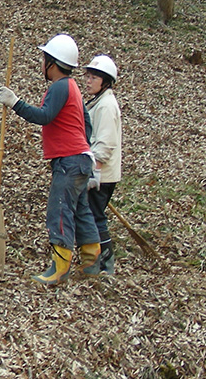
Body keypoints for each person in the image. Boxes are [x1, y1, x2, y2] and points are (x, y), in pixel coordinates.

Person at [0, 33, 100, 285]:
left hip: (70, 160)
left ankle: (59, 266)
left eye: (44, 60)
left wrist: (15, 103)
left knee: (61, 210)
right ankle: (91, 262)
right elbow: (85, 124)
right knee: (82, 211)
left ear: (52, 63)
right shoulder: (73, 87)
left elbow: (44, 116)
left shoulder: (60, 86)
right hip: (80, 158)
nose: (42, 65)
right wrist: (85, 152)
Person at [81, 55, 121, 276]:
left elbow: (105, 145)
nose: (88, 81)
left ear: (105, 81)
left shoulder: (106, 106)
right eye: (88, 76)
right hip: (95, 171)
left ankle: (105, 263)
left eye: (93, 77)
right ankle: (93, 260)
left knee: (96, 217)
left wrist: (91, 168)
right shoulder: (98, 101)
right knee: (91, 215)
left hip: (102, 174)